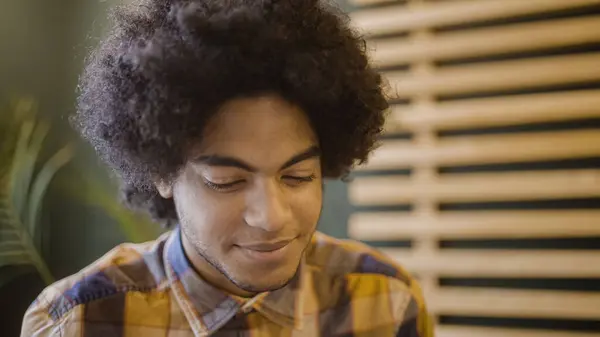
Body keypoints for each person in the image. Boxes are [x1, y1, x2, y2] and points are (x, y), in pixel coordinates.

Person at [21, 0, 431, 336]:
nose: (271, 217)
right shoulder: (77, 323)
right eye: (227, 181)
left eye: (298, 176)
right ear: (163, 172)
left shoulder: (386, 302)